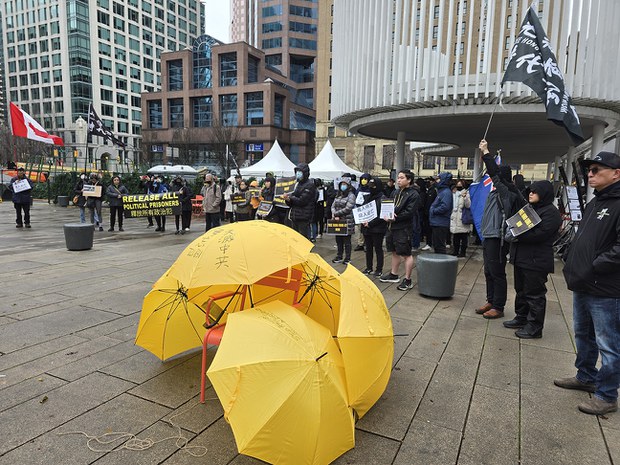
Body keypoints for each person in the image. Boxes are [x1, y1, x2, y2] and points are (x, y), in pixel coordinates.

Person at [555, 151, 620, 416]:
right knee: (583, 335)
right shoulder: (596, 202)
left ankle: (606, 395)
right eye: (589, 171)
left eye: (596, 170)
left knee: (609, 344)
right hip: (583, 282)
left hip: (605, 288)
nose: (590, 175)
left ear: (616, 173)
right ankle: (585, 376)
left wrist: (594, 265)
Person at [502, 180, 561, 339]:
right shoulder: (530, 208)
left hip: (536, 260)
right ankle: (522, 318)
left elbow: (540, 234)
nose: (530, 193)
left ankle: (534, 326)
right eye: (530, 191)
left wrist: (517, 235)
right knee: (521, 291)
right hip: (522, 258)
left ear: (544, 194)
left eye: (534, 192)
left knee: (534, 294)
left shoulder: (551, 213)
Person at [475, 139, 525, 319]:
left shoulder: (508, 192)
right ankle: (491, 299)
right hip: (489, 236)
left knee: (497, 272)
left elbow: (494, 172)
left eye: (494, 176)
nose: (491, 178)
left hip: (499, 237)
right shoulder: (496, 192)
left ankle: (498, 306)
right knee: (489, 270)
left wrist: (486, 152)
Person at [380, 169, 420, 291]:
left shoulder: (414, 194)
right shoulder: (395, 192)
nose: (399, 180)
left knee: (406, 254)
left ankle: (408, 280)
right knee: (394, 251)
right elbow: (389, 206)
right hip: (392, 227)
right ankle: (394, 274)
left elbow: (409, 212)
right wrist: (387, 215)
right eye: (398, 177)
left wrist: (394, 217)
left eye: (402, 178)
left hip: (403, 228)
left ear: (409, 180)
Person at [361, 177, 388, 277]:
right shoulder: (368, 197)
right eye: (370, 186)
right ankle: (369, 267)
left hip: (378, 228)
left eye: (374, 186)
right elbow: (363, 210)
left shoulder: (383, 198)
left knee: (378, 249)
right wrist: (363, 221)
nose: (371, 188)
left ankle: (379, 269)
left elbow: (383, 215)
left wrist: (371, 223)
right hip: (367, 228)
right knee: (368, 249)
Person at [282, 163, 316, 239]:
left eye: (300, 172)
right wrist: (287, 199)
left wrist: (291, 198)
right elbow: (292, 201)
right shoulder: (298, 185)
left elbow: (302, 201)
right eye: (297, 172)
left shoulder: (309, 185)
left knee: (303, 238)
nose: (298, 174)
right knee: (295, 238)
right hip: (295, 216)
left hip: (303, 216)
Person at [331, 177, 357, 265]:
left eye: (345, 184)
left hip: (347, 221)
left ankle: (347, 258)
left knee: (347, 241)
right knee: (338, 240)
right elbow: (333, 206)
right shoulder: (338, 194)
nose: (343, 186)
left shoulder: (351, 195)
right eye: (342, 184)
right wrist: (334, 214)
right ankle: (339, 256)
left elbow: (348, 208)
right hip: (337, 221)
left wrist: (337, 214)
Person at [429, 172, 453, 254]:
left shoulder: (446, 192)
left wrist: (433, 210)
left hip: (440, 222)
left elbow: (445, 207)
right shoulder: (442, 191)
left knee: (439, 246)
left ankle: (441, 264)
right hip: (437, 222)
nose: (436, 181)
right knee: (437, 245)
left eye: (438, 179)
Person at [450, 179, 472, 257]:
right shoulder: (454, 194)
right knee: (456, 236)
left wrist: (465, 197)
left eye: (460, 185)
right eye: (457, 185)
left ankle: (463, 252)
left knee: (463, 237)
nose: (458, 187)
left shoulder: (467, 193)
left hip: (462, 218)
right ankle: (455, 251)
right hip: (455, 217)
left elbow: (468, 205)